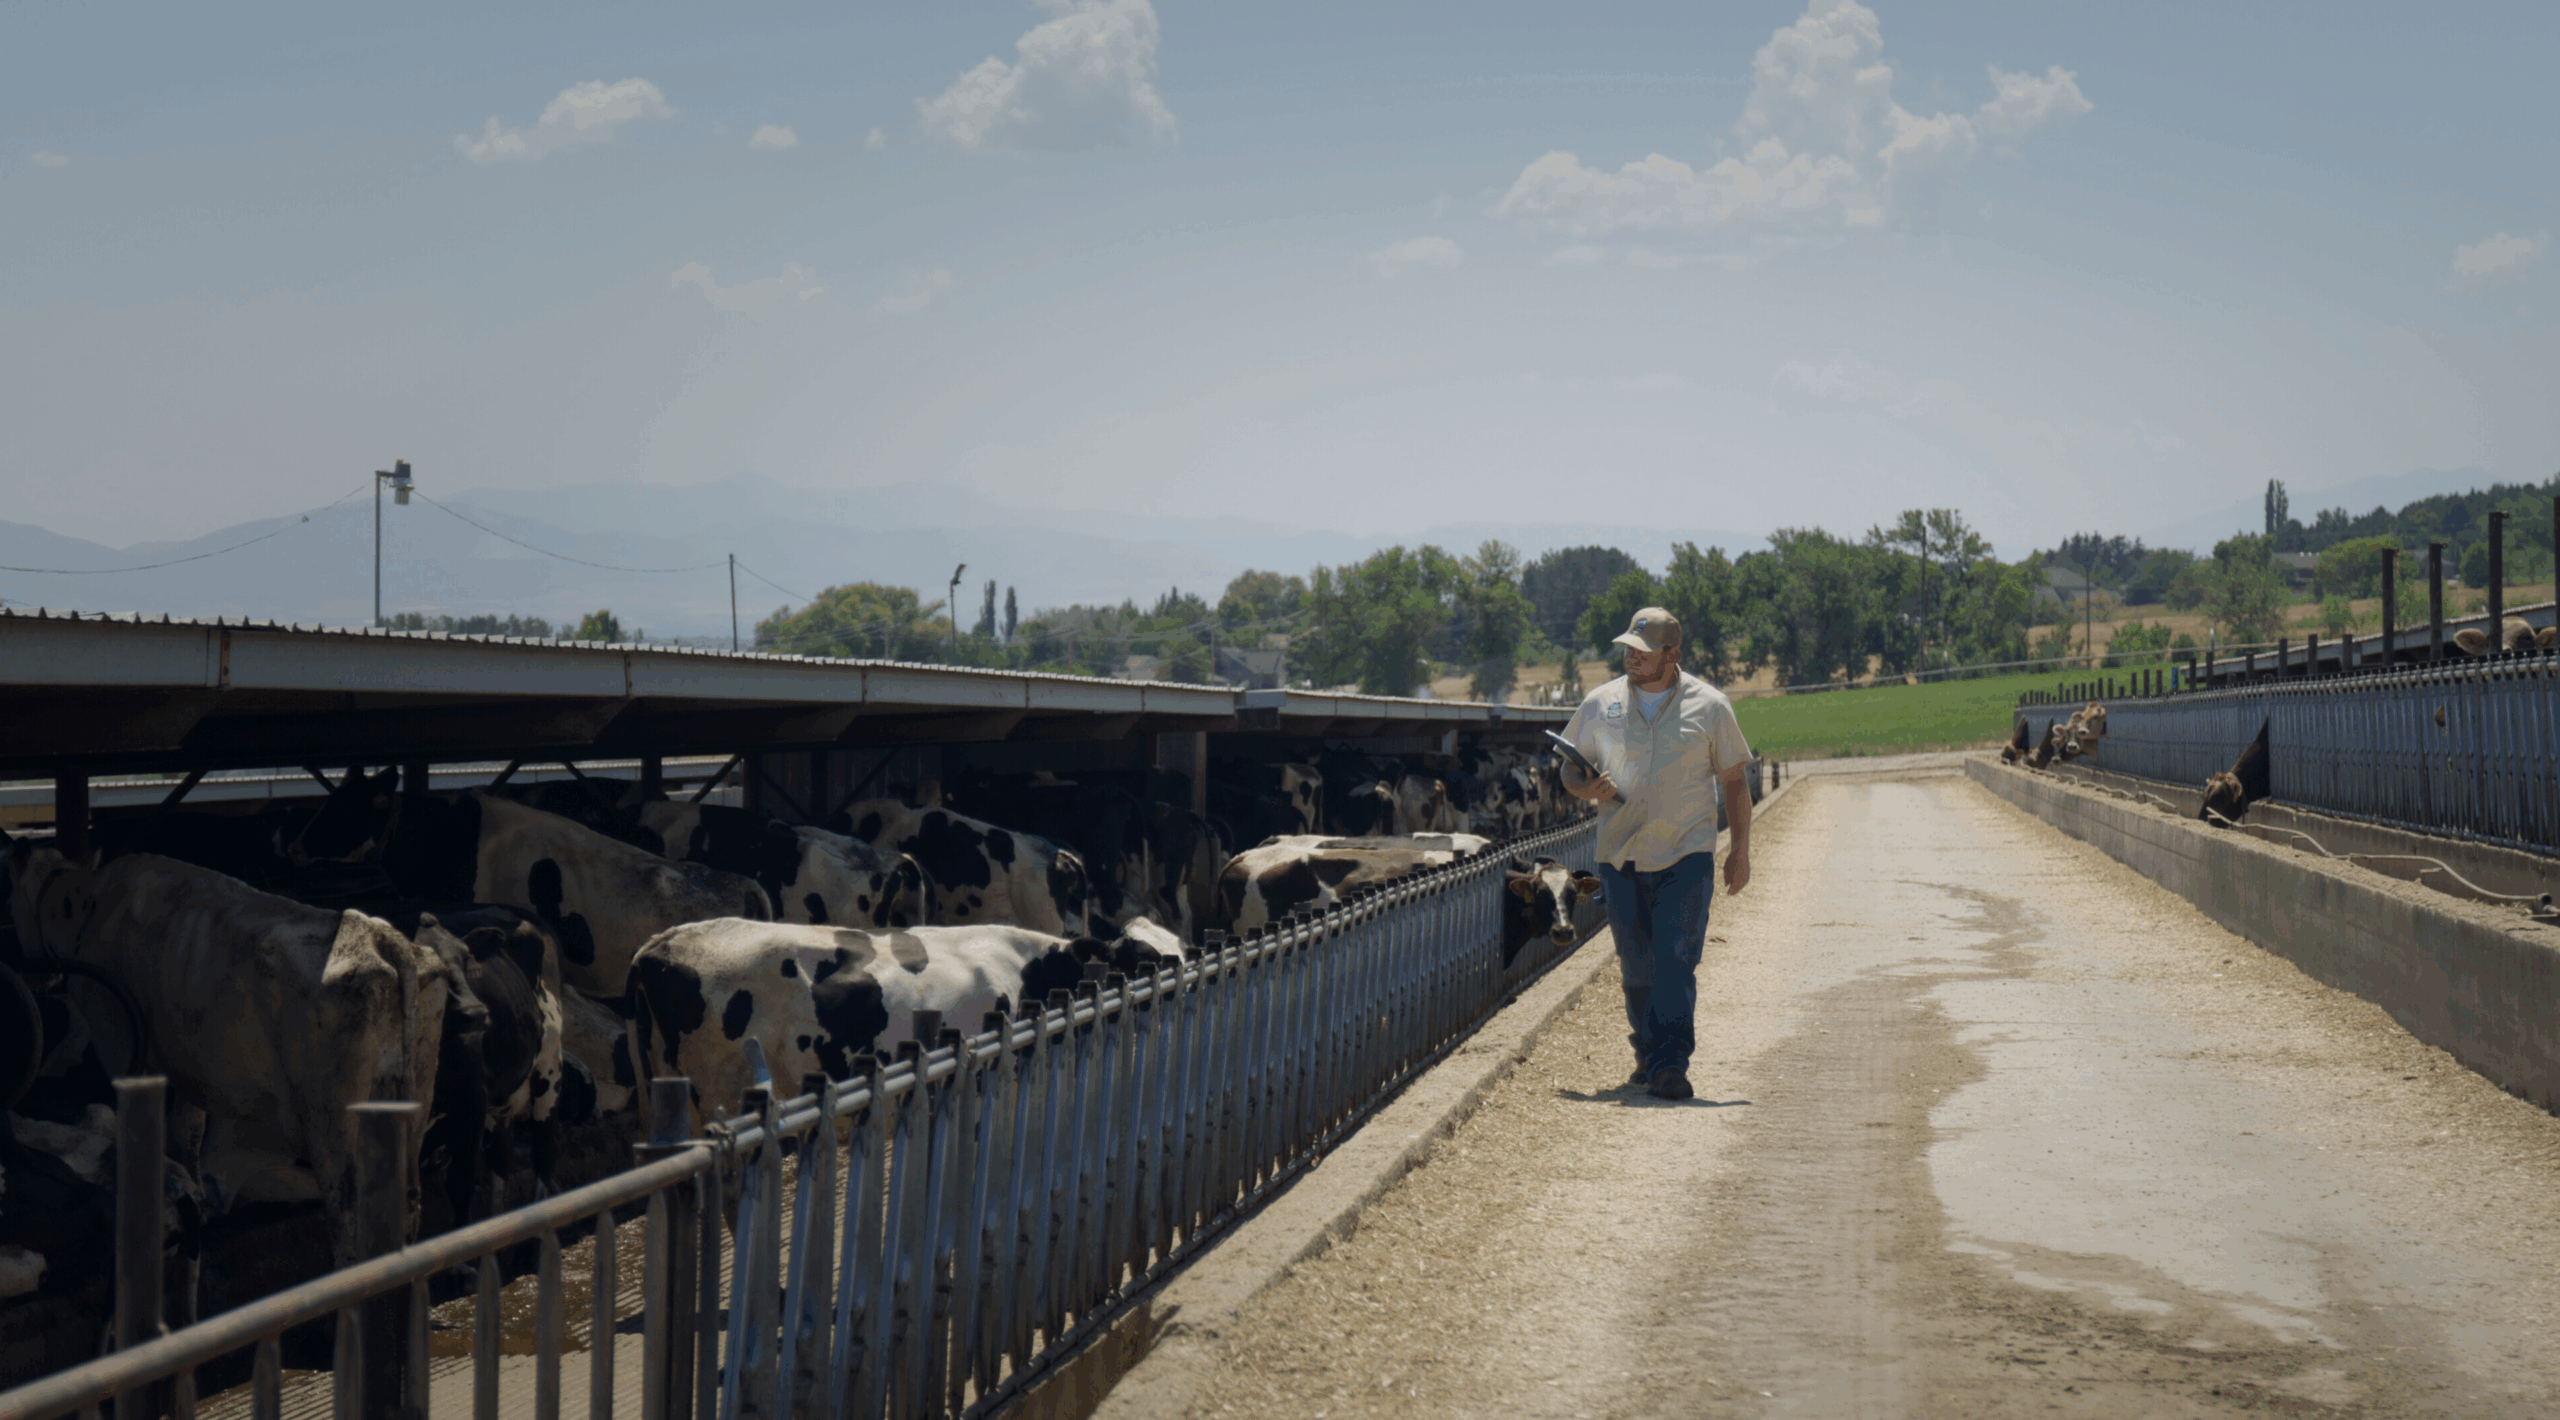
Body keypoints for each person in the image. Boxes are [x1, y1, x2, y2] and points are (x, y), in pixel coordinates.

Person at [1560, 606, 1753, 1100]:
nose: (1631, 657)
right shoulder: (1600, 704)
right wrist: (1587, 791)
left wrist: (1741, 851)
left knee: (1675, 961)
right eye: (1628, 648)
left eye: (1643, 651)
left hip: (1685, 854)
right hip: (1619, 856)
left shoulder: (1710, 707)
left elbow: (1734, 781)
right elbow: (1569, 770)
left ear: (1673, 656)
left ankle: (1670, 1064)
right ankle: (1647, 1055)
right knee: (1637, 965)